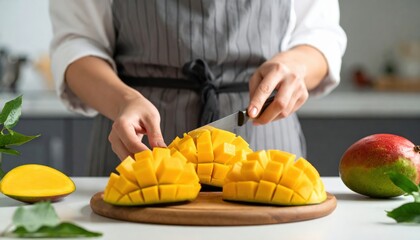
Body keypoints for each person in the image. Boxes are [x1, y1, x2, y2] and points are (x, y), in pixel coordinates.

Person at [49, 0, 347, 176]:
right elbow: (76, 42)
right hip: (137, 142)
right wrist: (123, 101)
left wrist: (297, 65)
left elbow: (320, 34)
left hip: (263, 135)